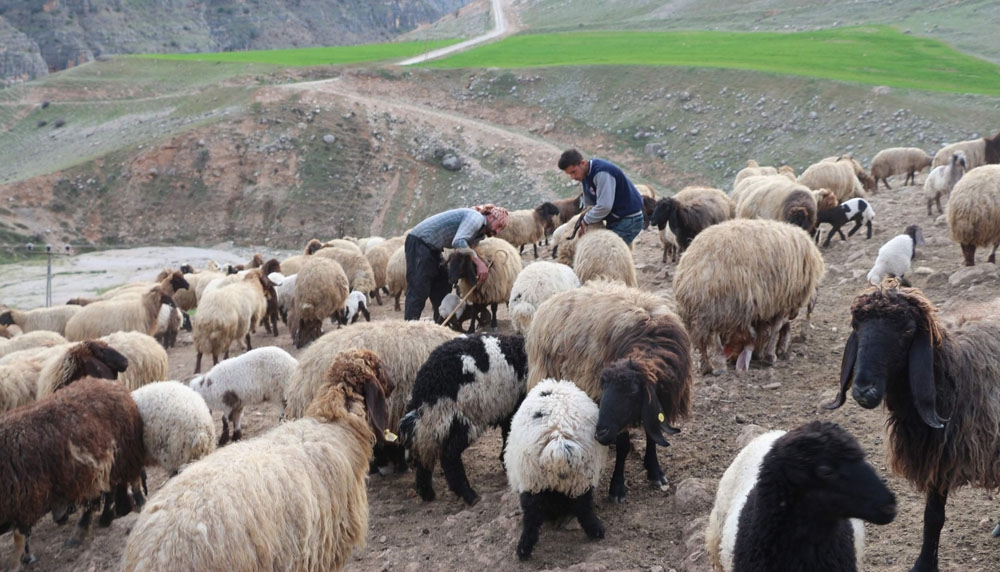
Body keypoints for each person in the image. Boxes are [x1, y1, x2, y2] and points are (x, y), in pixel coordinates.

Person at [403, 204, 510, 322]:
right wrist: (479, 263)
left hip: (435, 249)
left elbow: (467, 251)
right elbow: (458, 242)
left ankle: (440, 325)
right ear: (490, 218)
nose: (498, 231)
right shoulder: (476, 219)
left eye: (501, 229)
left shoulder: (480, 235)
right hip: (420, 242)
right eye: (499, 226)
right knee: (419, 288)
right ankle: (409, 327)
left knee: (443, 284)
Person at [557, 148, 645, 247]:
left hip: (629, 219)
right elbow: (590, 203)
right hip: (616, 219)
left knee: (608, 252)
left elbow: (605, 206)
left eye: (573, 172)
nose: (572, 177)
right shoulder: (585, 175)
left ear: (583, 163)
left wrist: (586, 220)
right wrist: (584, 222)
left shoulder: (602, 172)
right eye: (569, 174)